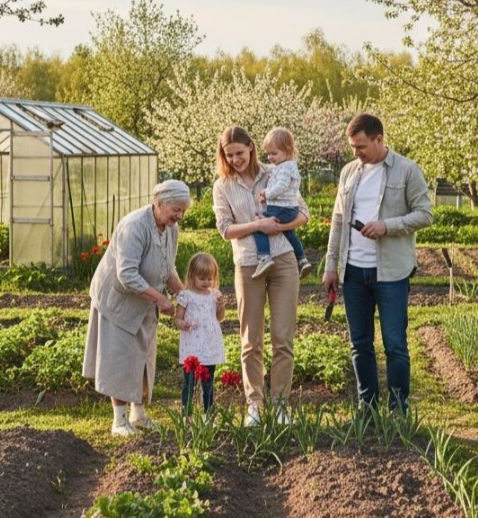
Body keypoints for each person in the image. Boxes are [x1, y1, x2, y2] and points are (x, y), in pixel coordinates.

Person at [322, 113, 433, 414]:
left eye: (360, 146)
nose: (355, 153)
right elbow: (339, 219)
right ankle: (366, 409)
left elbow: (425, 214)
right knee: (360, 343)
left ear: (379, 139)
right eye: (352, 147)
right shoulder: (348, 173)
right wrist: (331, 265)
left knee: (395, 344)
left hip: (391, 272)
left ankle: (398, 411)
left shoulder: (407, 171)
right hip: (353, 271)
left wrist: (388, 225)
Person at [212, 126, 309, 426]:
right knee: (250, 339)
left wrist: (277, 228)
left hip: (282, 261)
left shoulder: (277, 170)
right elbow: (225, 229)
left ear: (252, 148)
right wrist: (258, 226)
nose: (235, 160)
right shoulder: (223, 186)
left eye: (239, 153)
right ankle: (255, 404)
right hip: (248, 264)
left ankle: (280, 405)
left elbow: (302, 214)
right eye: (229, 156)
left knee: (283, 337)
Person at [83, 179, 191, 436]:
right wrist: (160, 299)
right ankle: (118, 421)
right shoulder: (135, 226)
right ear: (159, 203)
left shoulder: (169, 228)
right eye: (176, 209)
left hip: (144, 299)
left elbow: (167, 267)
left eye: (183, 210)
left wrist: (183, 293)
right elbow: (127, 274)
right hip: (118, 301)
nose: (180, 215)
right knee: (120, 357)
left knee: (142, 356)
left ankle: (138, 415)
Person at [252, 127, 313, 279]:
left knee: (259, 226)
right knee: (289, 232)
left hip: (280, 208)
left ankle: (264, 257)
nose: (270, 157)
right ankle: (302, 259)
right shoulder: (285, 165)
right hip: (289, 209)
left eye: (274, 153)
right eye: (268, 154)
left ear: (288, 151)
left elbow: (281, 186)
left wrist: (266, 194)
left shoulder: (285, 168)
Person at [174, 252, 226, 414]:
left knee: (208, 381)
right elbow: (177, 319)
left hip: (210, 344)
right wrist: (183, 324)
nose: (206, 282)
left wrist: (220, 306)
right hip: (193, 345)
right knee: (190, 382)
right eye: (202, 278)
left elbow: (219, 318)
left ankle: (208, 413)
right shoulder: (186, 296)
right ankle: (187, 413)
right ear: (192, 276)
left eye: (210, 278)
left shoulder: (214, 295)